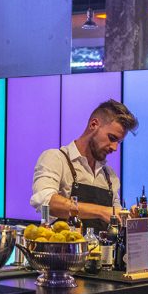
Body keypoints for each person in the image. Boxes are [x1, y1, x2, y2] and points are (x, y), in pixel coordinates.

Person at [30, 99, 138, 232]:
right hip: (63, 244)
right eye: (112, 138)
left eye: (119, 142)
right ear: (94, 124)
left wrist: (131, 217)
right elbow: (46, 202)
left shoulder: (110, 176)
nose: (115, 148)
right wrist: (101, 211)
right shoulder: (56, 159)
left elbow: (115, 217)